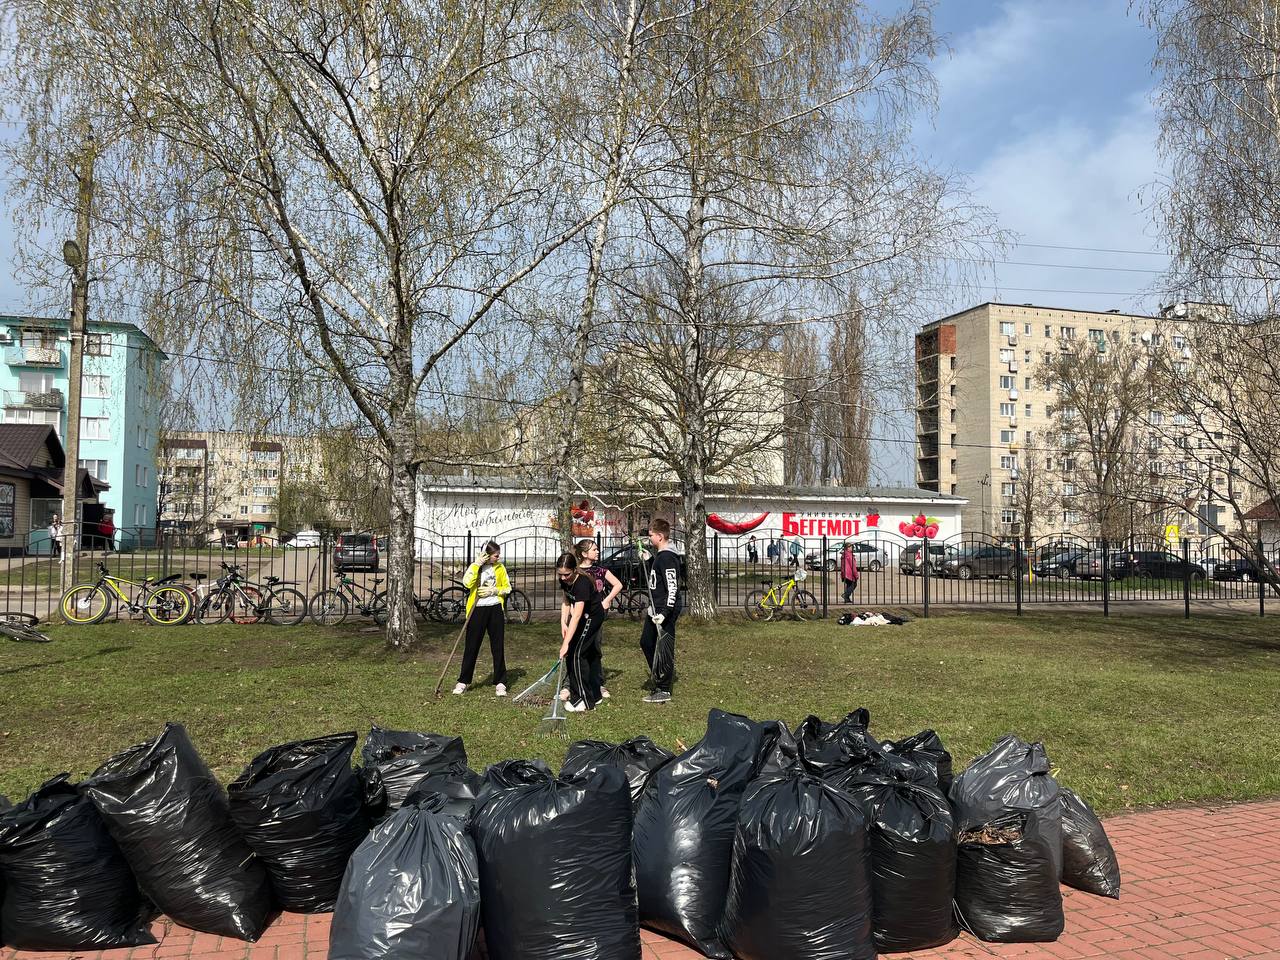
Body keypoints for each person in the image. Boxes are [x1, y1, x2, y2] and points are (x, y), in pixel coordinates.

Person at [453, 539, 511, 697]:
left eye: (498, 555)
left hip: (494, 609)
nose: (498, 558)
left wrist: (494, 590)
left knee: (497, 646)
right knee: (471, 646)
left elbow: (507, 587)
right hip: (477, 610)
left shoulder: (500, 568)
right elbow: (466, 583)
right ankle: (463, 681)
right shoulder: (476, 567)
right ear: (486, 555)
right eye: (495, 556)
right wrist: (476, 565)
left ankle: (500, 681)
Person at [575, 538, 623, 700]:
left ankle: (598, 683)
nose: (597, 551)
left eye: (597, 549)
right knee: (578, 649)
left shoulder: (600, 571)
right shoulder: (576, 572)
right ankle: (572, 683)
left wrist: (607, 600)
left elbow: (618, 585)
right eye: (594, 549)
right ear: (583, 553)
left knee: (595, 648)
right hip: (579, 616)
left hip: (596, 617)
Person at [640, 518, 681, 704]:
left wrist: (665, 612)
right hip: (654, 608)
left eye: (651, 536)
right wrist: (649, 561)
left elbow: (672, 587)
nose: (649, 539)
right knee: (646, 643)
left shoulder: (668, 557)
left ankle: (664, 689)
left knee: (664, 647)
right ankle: (659, 676)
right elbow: (657, 580)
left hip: (664, 610)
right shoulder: (660, 556)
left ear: (660, 536)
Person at [557, 551, 601, 711]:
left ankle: (587, 701)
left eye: (566, 574)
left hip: (593, 617)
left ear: (574, 570)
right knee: (572, 655)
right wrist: (563, 622)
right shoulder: (564, 580)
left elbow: (576, 616)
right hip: (582, 616)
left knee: (577, 654)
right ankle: (577, 696)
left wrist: (565, 643)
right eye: (560, 574)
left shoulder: (582, 583)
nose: (563, 578)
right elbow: (566, 600)